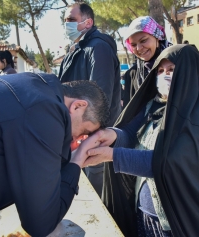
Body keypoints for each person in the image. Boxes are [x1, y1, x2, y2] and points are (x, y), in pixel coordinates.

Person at [76, 45, 199, 236]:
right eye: (160, 71)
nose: (165, 75)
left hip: (179, 222)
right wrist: (111, 135)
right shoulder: (155, 104)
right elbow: (130, 133)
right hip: (146, 214)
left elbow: (173, 164)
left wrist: (112, 155)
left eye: (171, 70)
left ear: (189, 73)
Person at [0, 73, 110, 236]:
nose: (79, 139)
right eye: (84, 132)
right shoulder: (45, 112)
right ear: (78, 106)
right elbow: (41, 223)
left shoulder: (36, 88)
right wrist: (77, 160)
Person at [59, 2, 121, 195]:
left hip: (93, 136)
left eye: (71, 20)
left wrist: (88, 138)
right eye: (65, 20)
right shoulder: (76, 49)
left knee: (95, 193)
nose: (66, 24)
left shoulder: (98, 48)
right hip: (78, 135)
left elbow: (100, 100)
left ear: (88, 22)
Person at [122, 16, 172, 108]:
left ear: (156, 37)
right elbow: (129, 111)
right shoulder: (132, 74)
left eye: (143, 41)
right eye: (133, 45)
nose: (138, 48)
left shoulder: (177, 61)